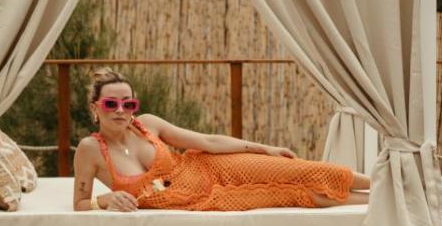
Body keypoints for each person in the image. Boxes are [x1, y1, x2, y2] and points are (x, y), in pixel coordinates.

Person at [72, 67, 370, 212]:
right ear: (95, 108)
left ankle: (381, 182)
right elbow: (80, 203)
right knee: (295, 194)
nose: (121, 110)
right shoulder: (90, 150)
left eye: (128, 103)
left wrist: (264, 149)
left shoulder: (147, 125)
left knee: (299, 170)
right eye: (111, 104)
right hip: (203, 200)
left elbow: (208, 141)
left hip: (211, 167)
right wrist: (105, 199)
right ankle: (378, 200)